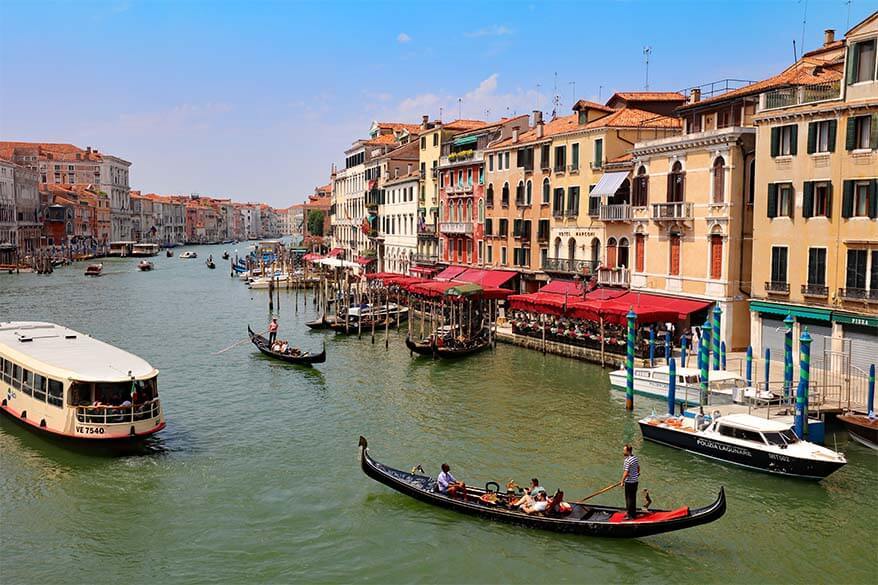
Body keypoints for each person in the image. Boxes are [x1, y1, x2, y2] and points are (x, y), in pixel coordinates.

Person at [621, 444, 640, 520]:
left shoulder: (627, 460)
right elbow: (638, 467)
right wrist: (637, 473)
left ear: (628, 451)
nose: (623, 451)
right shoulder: (635, 458)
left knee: (628, 499)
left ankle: (630, 516)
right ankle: (632, 514)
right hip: (635, 481)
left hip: (629, 482)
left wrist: (622, 481)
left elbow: (626, 472)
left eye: (624, 450)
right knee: (633, 498)